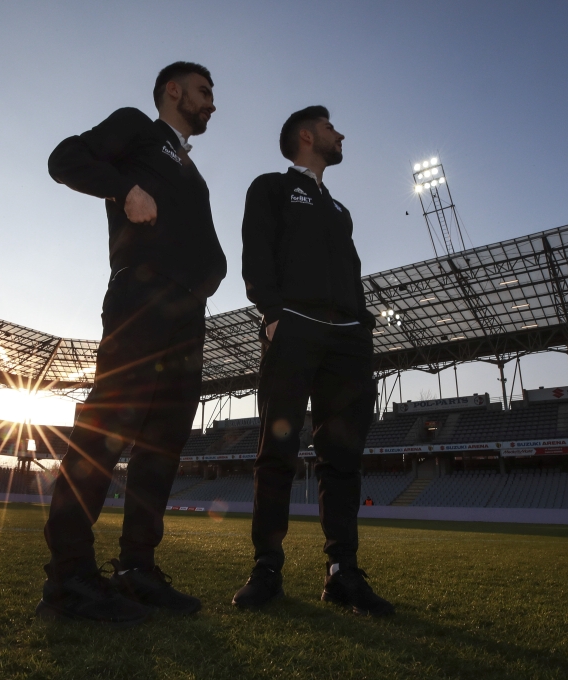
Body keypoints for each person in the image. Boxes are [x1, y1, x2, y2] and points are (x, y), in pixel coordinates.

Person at [38, 62, 226, 625]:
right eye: (204, 92)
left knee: (164, 442)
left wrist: (212, 270)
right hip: (140, 296)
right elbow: (64, 159)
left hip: (187, 313)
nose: (212, 103)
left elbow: (204, 241)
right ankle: (69, 576)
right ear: (174, 91)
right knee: (109, 424)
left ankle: (138, 568)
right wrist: (124, 189)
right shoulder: (137, 128)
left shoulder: (193, 171)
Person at [232, 106, 394, 616]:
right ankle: (267, 568)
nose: (340, 133)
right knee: (277, 450)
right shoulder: (272, 187)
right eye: (329, 127)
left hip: (348, 338)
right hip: (295, 327)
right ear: (306, 135)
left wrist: (362, 323)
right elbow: (256, 250)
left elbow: (349, 270)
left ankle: (343, 572)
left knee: (342, 458)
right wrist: (272, 312)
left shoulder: (340, 209)